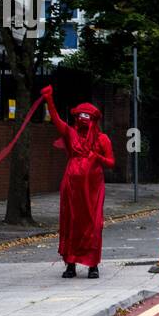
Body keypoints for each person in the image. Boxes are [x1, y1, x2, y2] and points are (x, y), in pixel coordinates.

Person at [41, 86, 114, 279]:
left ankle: (92, 264)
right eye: (80, 115)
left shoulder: (102, 139)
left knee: (93, 223)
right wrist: (49, 100)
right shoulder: (71, 134)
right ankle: (71, 264)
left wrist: (96, 156)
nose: (83, 118)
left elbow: (111, 162)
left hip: (93, 188)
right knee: (71, 222)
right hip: (72, 187)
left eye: (86, 115)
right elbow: (56, 120)